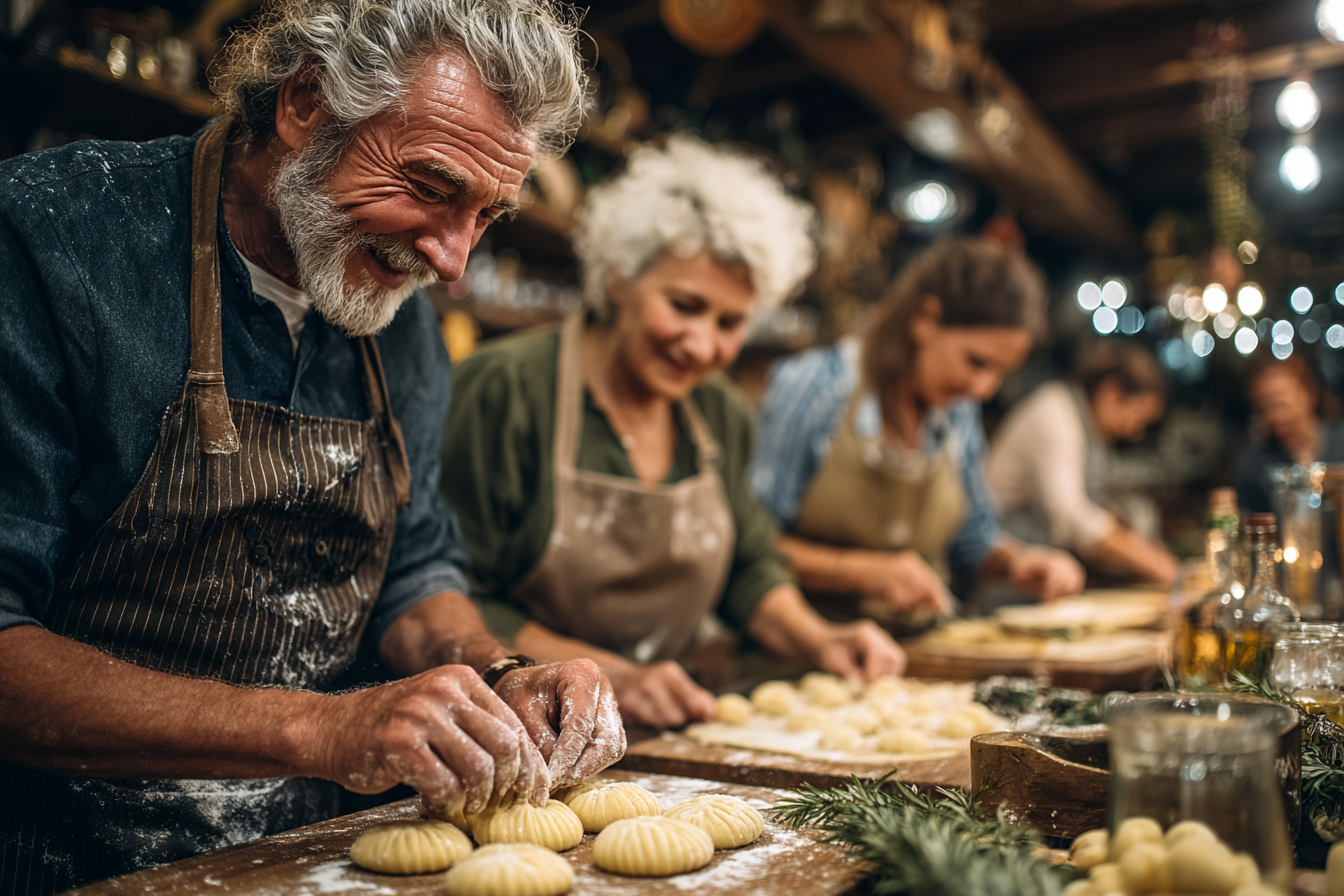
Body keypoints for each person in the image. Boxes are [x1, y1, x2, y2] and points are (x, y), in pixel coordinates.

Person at [0, 3, 626, 893]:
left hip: (314, 862)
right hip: (65, 859)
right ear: (305, 104)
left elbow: (415, 570)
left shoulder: (394, 315)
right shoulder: (53, 240)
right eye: (431, 185)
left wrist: (498, 670)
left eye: (486, 215)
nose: (450, 260)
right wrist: (324, 731)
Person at [440, 138, 905, 731]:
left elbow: (749, 565)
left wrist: (821, 639)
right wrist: (612, 676)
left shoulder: (720, 413)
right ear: (617, 278)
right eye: (684, 305)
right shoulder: (506, 389)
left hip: (672, 728)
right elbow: (452, 598)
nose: (704, 344)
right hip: (519, 733)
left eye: (731, 322)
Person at [751, 239, 1085, 620]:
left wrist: (1017, 563)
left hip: (924, 652)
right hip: (806, 651)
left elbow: (972, 544)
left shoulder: (957, 413)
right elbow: (754, 547)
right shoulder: (817, 387)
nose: (983, 388)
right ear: (925, 319)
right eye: (976, 362)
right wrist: (862, 572)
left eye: (999, 372)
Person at [987, 341, 1179, 585]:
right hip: (1005, 567)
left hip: (1045, 569)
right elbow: (1072, 518)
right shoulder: (1055, 415)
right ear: (1112, 391)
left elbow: (1097, 507)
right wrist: (1159, 565)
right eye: (1137, 415)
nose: (1136, 431)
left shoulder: (1088, 426)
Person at [1236, 353, 1344, 512]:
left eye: (1280, 403)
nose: (1274, 416)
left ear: (1310, 393)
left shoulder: (1340, 443)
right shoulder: (1255, 465)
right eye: (1263, 407)